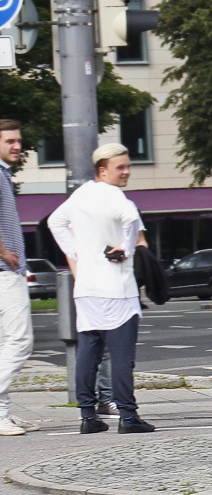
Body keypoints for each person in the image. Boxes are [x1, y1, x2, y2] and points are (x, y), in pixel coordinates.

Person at [48, 143, 154, 434]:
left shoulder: (80, 195)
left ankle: (87, 415)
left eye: (128, 166)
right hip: (117, 288)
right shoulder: (116, 197)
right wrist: (127, 247)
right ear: (102, 170)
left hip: (86, 288)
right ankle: (128, 416)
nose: (127, 172)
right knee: (121, 355)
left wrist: (79, 254)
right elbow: (132, 221)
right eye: (120, 167)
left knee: (88, 352)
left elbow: (55, 222)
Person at [0, 120, 37, 436]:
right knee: (21, 341)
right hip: (4, 272)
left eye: (18, 141)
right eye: (10, 141)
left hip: (6, 271)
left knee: (3, 343)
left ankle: (2, 414)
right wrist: (4, 252)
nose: (17, 146)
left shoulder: (4, 174)